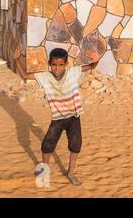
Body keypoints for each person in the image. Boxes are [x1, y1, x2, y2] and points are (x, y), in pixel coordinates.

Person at [14, 45, 98, 186]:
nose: (57, 68)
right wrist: (16, 59)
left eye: (60, 65)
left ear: (66, 64)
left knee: (75, 145)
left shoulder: (73, 72)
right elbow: (25, 75)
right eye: (54, 65)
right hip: (58, 119)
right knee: (47, 145)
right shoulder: (44, 77)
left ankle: (70, 173)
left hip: (73, 117)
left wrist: (96, 60)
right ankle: (45, 170)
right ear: (49, 64)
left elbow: (90, 66)